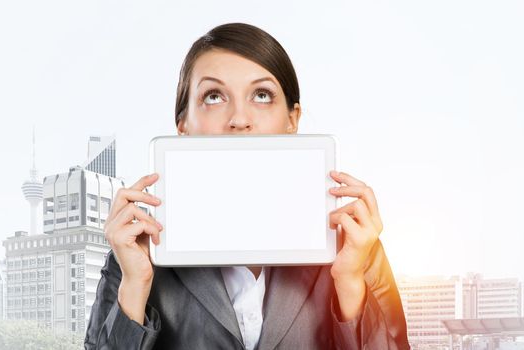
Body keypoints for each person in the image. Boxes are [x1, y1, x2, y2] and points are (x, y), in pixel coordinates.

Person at [84, 22, 410, 350]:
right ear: (183, 124)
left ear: (292, 120)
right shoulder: (138, 251)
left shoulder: (354, 246)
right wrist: (135, 287)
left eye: (262, 95)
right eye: (213, 96)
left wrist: (350, 285)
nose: (239, 119)